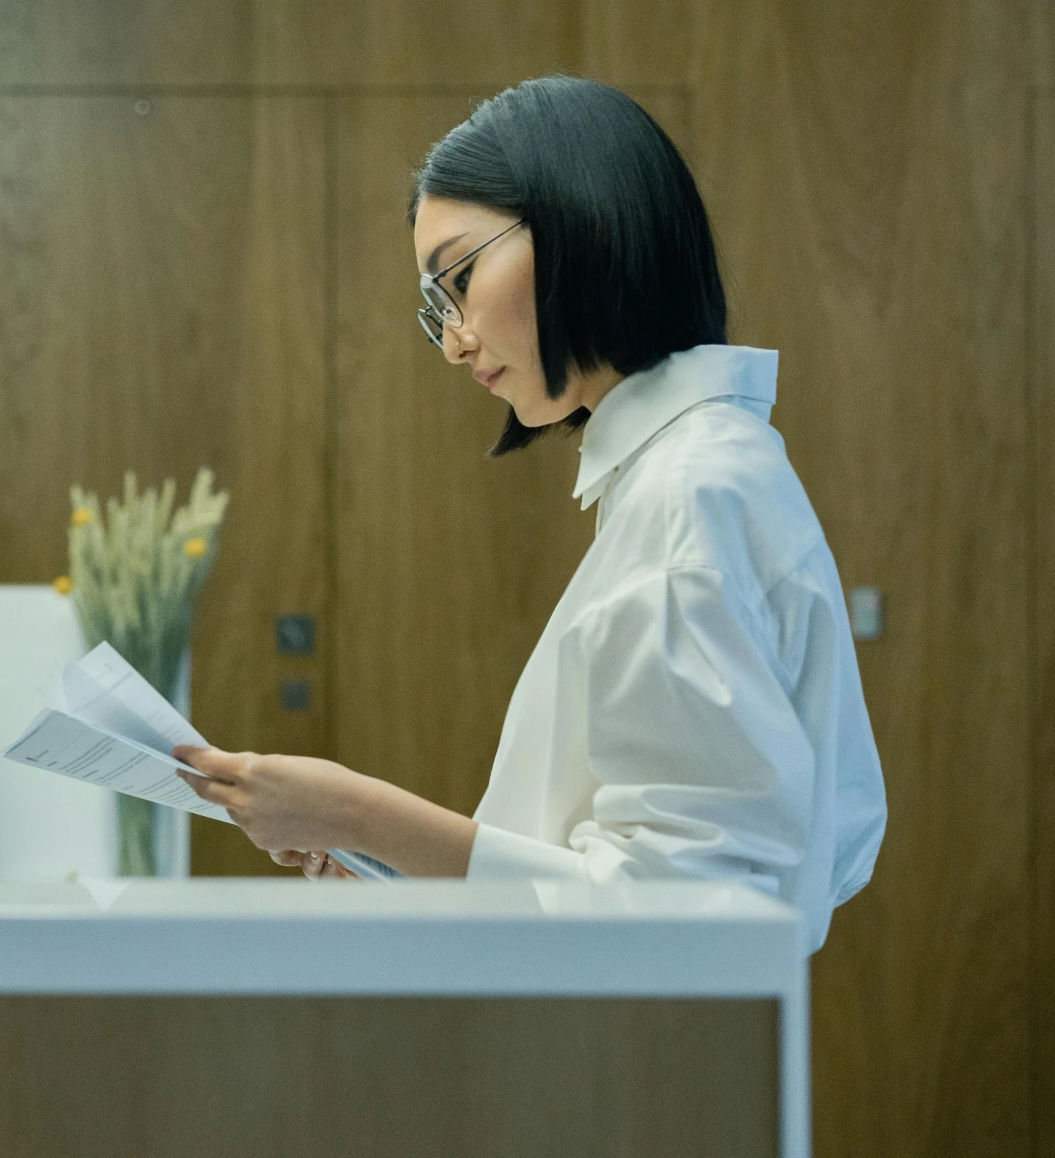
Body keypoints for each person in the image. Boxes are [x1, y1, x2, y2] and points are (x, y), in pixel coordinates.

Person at [175, 75, 886, 954]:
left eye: (464, 276)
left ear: (586, 223)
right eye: (437, 304)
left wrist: (361, 811)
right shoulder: (697, 477)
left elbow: (687, 920)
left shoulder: (688, 497)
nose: (455, 338)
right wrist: (392, 858)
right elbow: (790, 852)